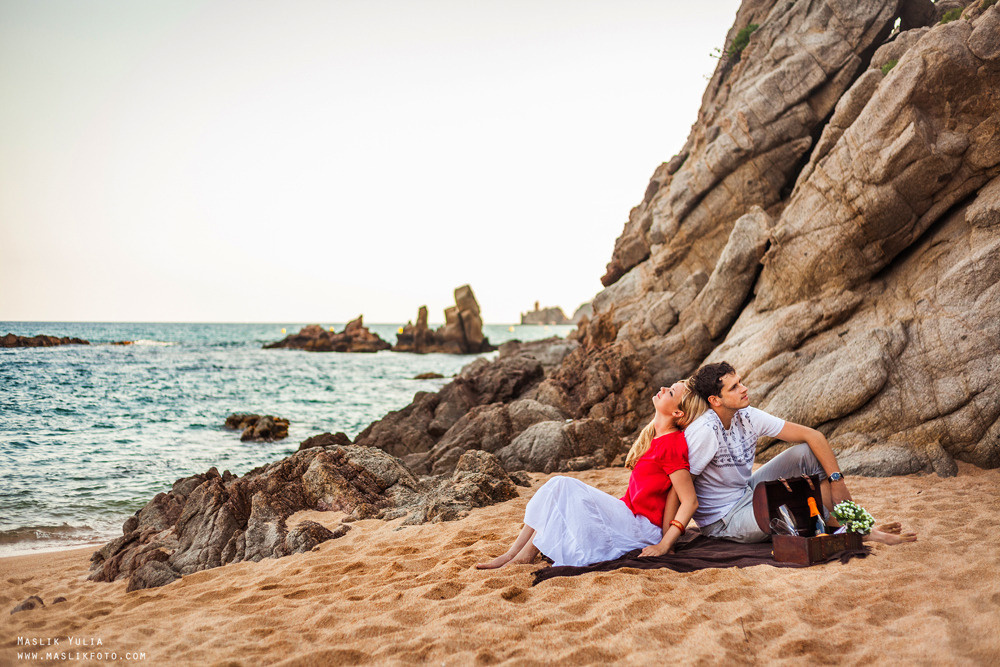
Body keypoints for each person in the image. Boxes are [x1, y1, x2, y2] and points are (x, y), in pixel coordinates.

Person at [476, 379, 708, 569]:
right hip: (627, 512)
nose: (662, 389)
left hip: (641, 527)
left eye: (670, 392)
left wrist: (665, 545)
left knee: (563, 486)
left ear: (678, 412)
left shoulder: (672, 444)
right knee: (556, 487)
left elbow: (689, 500)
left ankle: (523, 556)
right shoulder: (655, 436)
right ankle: (513, 554)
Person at [685, 361, 917, 545]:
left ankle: (853, 524)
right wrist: (666, 540)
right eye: (734, 387)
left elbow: (813, 436)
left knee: (808, 453)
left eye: (740, 382)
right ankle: (856, 531)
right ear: (715, 400)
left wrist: (837, 481)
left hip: (746, 491)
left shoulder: (747, 415)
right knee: (792, 509)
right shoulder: (705, 432)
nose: (744, 388)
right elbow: (681, 484)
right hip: (724, 520)